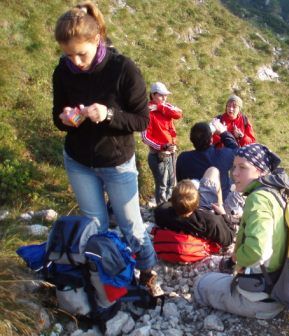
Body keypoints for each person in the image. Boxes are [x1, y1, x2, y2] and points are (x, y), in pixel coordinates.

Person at [51, 1, 161, 296]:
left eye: (81, 53)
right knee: (95, 226)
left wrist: (109, 114)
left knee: (131, 225)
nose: (75, 61)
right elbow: (57, 116)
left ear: (96, 39)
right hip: (78, 160)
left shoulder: (122, 69)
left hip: (117, 162)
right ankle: (108, 275)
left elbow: (142, 120)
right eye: (68, 54)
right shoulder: (63, 71)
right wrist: (65, 119)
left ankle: (148, 272)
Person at [194, 144, 289, 319]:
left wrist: (236, 258)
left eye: (243, 167)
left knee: (199, 284)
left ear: (261, 171)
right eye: (234, 167)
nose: (235, 173)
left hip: (260, 298)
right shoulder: (275, 193)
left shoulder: (258, 199)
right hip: (279, 287)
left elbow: (257, 251)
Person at [154, 172, 235, 247]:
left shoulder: (161, 212)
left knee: (196, 182)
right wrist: (223, 214)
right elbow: (229, 238)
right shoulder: (210, 220)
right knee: (213, 171)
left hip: (181, 214)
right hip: (205, 210)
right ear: (197, 204)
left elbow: (165, 205)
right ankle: (220, 203)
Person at [141, 82, 182, 204]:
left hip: (171, 152)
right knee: (162, 184)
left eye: (166, 95)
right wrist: (162, 146)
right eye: (161, 95)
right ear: (153, 95)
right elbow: (145, 137)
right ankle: (161, 209)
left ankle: (169, 207)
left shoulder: (164, 107)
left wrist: (160, 107)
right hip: (158, 155)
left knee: (171, 183)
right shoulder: (147, 112)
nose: (164, 98)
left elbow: (179, 113)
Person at [176, 121, 239, 201]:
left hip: (192, 202)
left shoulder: (183, 158)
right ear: (211, 140)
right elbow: (237, 151)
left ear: (192, 140)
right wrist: (224, 132)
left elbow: (181, 183)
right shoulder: (223, 155)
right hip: (219, 204)